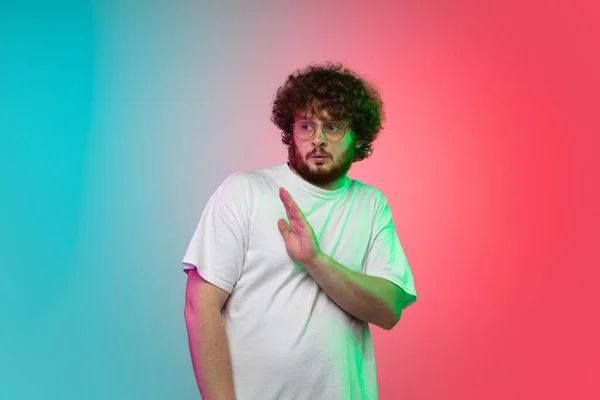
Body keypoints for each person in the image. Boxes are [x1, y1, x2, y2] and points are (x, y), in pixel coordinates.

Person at [181, 63, 417, 400]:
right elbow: (199, 306)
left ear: (357, 136)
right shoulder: (245, 191)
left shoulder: (370, 204)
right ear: (290, 130)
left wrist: (316, 262)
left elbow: (388, 310)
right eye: (307, 125)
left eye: (333, 127)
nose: (318, 139)